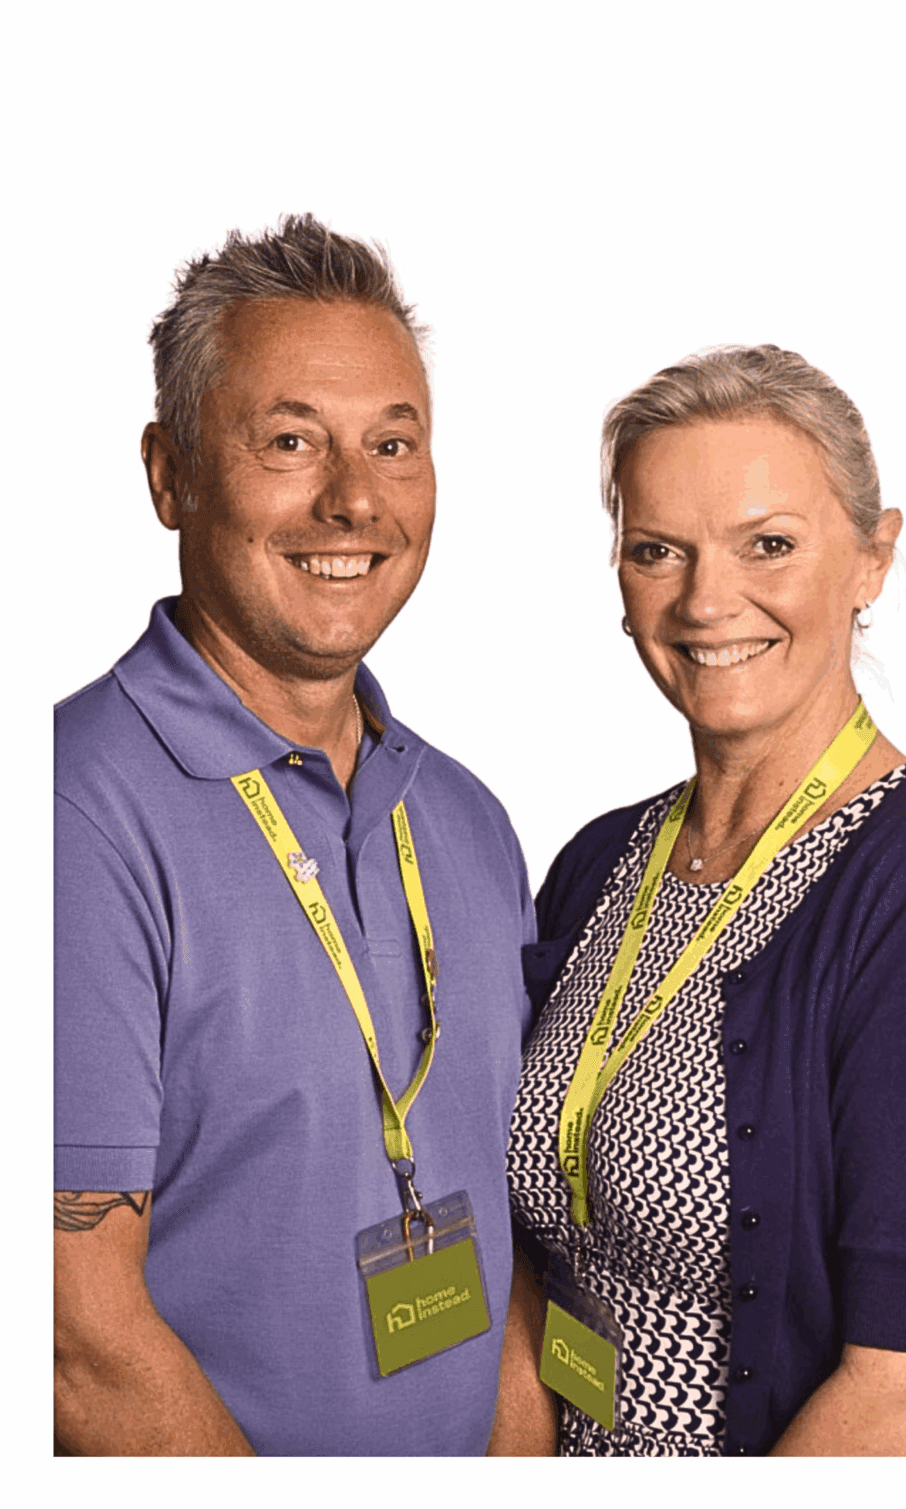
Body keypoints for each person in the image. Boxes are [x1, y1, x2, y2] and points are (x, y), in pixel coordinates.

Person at [54, 215, 535, 1456]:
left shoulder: (468, 823)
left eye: (393, 443)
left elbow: (513, 1236)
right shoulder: (68, 811)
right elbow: (73, 1336)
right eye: (288, 441)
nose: (354, 498)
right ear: (170, 474)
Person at [489, 345, 906, 1457]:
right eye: (658, 550)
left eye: (769, 546)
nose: (705, 600)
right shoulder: (599, 862)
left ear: (873, 559)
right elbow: (532, 1270)